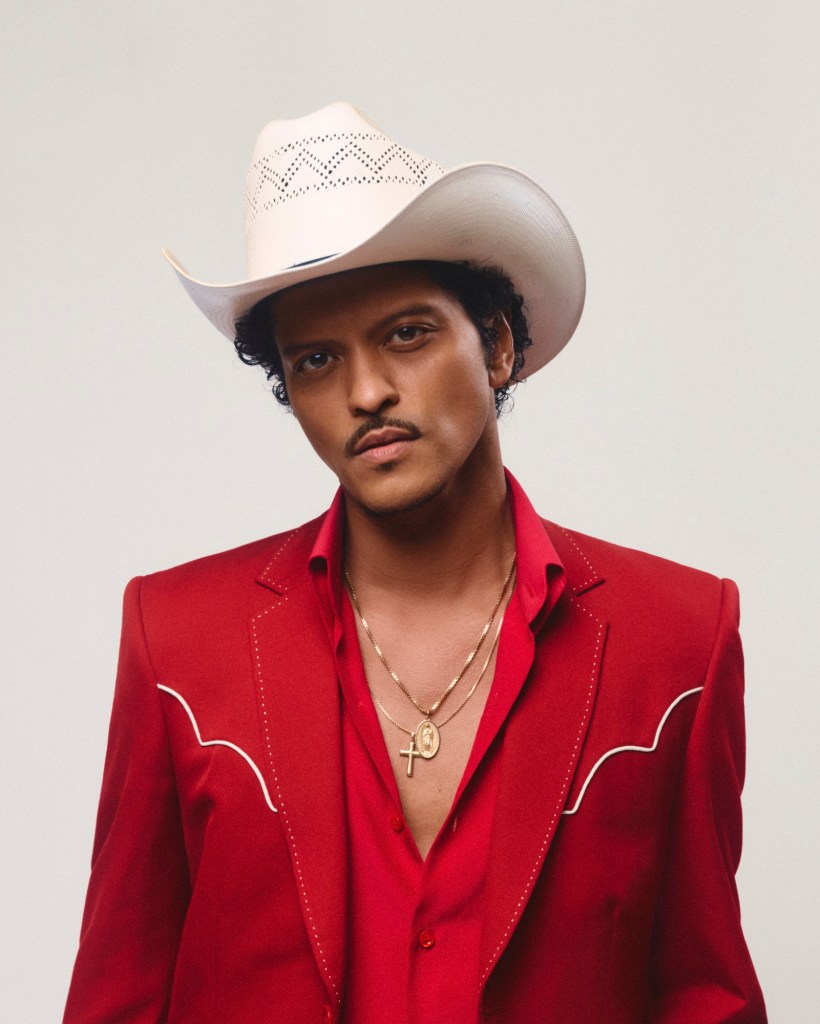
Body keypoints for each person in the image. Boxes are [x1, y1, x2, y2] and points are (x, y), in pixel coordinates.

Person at [63, 102, 767, 1023]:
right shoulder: (177, 639)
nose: (366, 392)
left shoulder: (678, 638)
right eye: (317, 360)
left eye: (407, 334)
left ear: (498, 345)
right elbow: (118, 990)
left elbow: (705, 996)